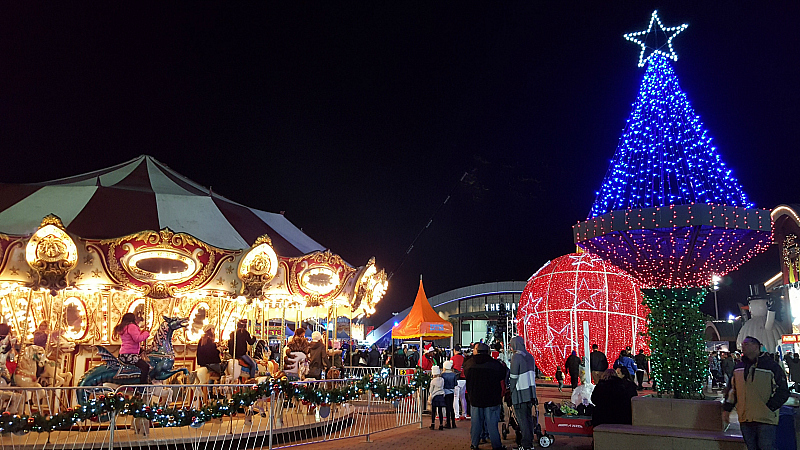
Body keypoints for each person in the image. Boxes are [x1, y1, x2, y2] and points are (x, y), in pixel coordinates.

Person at [723, 336, 790, 450]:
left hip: (765, 418)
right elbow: (732, 391)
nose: (743, 346)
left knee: (766, 447)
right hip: (745, 418)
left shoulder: (771, 366)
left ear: (756, 346)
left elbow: (783, 390)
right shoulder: (738, 368)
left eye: (747, 344)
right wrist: (727, 409)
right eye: (743, 344)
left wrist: (770, 407)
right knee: (751, 447)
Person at [464, 342, 507, 450]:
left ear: (477, 351)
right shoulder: (495, 364)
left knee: (476, 424)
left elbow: (466, 377)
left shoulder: (469, 364)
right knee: (492, 424)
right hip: (492, 399)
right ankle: (496, 445)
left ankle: (474, 444)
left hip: (475, 398)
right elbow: (503, 375)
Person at [508, 336, 537, 450]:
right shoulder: (529, 356)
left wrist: (510, 388)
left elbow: (514, 376)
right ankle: (529, 442)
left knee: (522, 420)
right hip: (530, 392)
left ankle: (525, 445)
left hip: (520, 392)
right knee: (528, 418)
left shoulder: (516, 357)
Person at [114, 313, 150, 384]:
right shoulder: (131, 326)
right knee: (145, 367)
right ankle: (142, 386)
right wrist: (146, 333)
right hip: (130, 355)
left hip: (123, 354)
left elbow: (132, 338)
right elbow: (137, 339)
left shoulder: (124, 327)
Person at [451, 348, 468, 421]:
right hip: (464, 379)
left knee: (456, 397)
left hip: (457, 379)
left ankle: (456, 415)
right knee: (463, 397)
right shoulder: (464, 358)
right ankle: (464, 414)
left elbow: (450, 367)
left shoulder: (453, 358)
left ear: (454, 350)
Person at [428, 365, 446, 430]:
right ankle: (441, 424)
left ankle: (433, 424)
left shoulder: (433, 381)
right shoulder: (442, 380)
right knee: (440, 411)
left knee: (433, 411)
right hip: (441, 395)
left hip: (435, 396)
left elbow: (431, 390)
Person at [442, 360, 458, 428]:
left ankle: (448, 423)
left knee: (447, 408)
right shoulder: (453, 374)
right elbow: (455, 384)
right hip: (452, 391)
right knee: (451, 407)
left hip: (445, 392)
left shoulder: (443, 375)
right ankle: (453, 423)